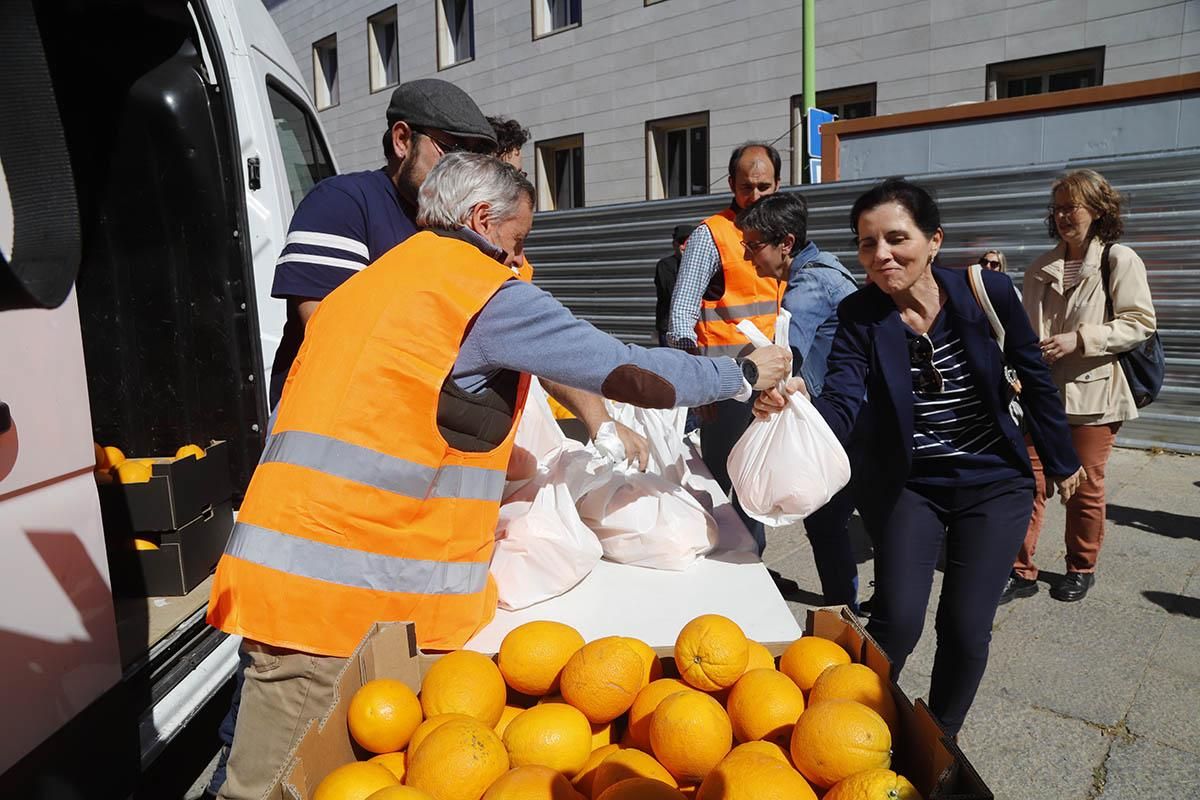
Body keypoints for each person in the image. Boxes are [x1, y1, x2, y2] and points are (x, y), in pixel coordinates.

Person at [208, 154, 792, 800]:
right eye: (517, 244)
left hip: (290, 579)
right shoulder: (474, 292)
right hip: (330, 609)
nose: (519, 264)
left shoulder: (376, 285)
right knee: (260, 791)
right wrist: (739, 372)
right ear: (483, 220)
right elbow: (620, 367)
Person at [754, 178, 1084, 737]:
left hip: (995, 482)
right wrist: (795, 409)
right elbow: (842, 399)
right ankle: (849, 721)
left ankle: (939, 738)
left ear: (934, 240)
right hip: (914, 485)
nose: (881, 255)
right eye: (866, 243)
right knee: (897, 620)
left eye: (896, 239)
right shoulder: (862, 314)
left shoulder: (987, 293)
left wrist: (1060, 458)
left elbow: (1034, 375)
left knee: (964, 624)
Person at [266, 78, 498, 409]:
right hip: (327, 434)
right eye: (455, 151)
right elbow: (333, 334)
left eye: (477, 157)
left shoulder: (458, 224)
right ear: (402, 140)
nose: (466, 170)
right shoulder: (341, 203)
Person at [1001, 169, 1156, 604]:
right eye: (1059, 207)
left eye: (1074, 206)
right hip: (1039, 396)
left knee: (1085, 487)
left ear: (1098, 209)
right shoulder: (1038, 268)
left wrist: (1080, 339)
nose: (1065, 215)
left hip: (1095, 394)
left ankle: (1080, 566)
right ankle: (1020, 569)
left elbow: (1140, 322)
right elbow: (1024, 332)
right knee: (1025, 483)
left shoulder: (1118, 260)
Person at [487, 115, 650, 468]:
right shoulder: (460, 265)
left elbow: (539, 342)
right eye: (515, 174)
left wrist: (599, 418)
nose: (523, 186)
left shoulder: (512, 257)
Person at [735, 192, 860, 611]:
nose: (749, 257)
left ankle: (845, 615)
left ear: (785, 243)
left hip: (843, 418)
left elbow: (785, 354)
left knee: (824, 517)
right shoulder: (827, 268)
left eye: (754, 245)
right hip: (856, 409)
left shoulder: (807, 285)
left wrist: (744, 379)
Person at [667, 143, 784, 553]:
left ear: (778, 184)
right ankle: (723, 567)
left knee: (758, 484)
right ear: (731, 183)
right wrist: (695, 386)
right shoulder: (711, 235)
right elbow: (681, 315)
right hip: (726, 388)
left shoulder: (782, 234)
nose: (754, 196)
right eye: (745, 187)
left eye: (763, 187)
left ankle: (755, 564)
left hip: (771, 385)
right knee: (719, 484)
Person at [655, 224, 696, 346]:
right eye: (681, 241)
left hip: (693, 328)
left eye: (689, 241)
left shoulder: (700, 265)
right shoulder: (665, 265)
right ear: (675, 244)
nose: (685, 245)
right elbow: (672, 293)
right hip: (670, 328)